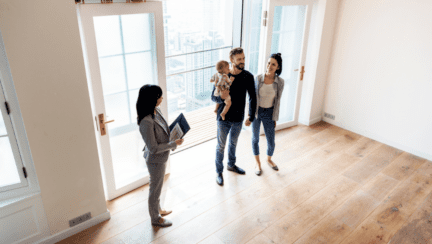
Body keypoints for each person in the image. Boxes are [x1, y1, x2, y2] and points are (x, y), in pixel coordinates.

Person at [137, 84, 184, 227]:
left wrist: (174, 133)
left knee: (157, 186)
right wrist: (173, 144)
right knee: (155, 189)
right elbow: (153, 148)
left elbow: (164, 130)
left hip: (161, 157)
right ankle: (155, 218)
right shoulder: (146, 121)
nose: (162, 98)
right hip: (155, 160)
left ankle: (158, 209)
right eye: (159, 96)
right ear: (152, 99)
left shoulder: (155, 110)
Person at [211, 47, 257, 186]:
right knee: (221, 146)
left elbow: (252, 98)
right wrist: (221, 99)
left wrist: (251, 115)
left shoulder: (248, 76)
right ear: (232, 60)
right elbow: (213, 97)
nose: (242, 61)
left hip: (238, 118)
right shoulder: (222, 75)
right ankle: (219, 172)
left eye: (243, 58)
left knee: (233, 143)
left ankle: (231, 165)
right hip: (223, 119)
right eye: (239, 59)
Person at [252, 53, 284, 176]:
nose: (269, 66)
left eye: (273, 64)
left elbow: (278, 101)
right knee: (255, 139)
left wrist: (275, 117)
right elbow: (253, 99)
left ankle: (269, 159)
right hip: (257, 111)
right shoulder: (258, 78)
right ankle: (257, 163)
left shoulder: (280, 82)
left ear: (278, 67)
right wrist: (250, 116)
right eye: (269, 63)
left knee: (271, 141)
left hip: (269, 112)